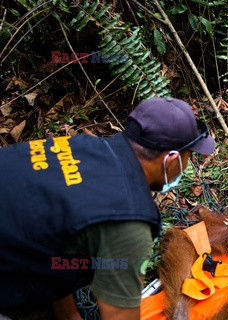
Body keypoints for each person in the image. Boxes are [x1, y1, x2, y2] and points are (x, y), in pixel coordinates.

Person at [0, 97, 215, 320]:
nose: (187, 165)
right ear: (171, 160)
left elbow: (53, 235)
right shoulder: (129, 219)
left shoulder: (82, 147)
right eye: (189, 157)